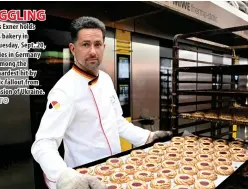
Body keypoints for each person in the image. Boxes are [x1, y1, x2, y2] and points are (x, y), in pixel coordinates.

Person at [31, 16, 172, 189]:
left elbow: (118, 123)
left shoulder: (105, 79)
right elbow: (43, 143)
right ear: (73, 49)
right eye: (85, 44)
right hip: (83, 178)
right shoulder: (64, 91)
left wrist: (147, 137)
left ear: (104, 47)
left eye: (97, 44)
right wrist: (64, 176)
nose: (92, 51)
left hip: (116, 170)